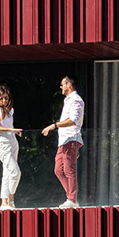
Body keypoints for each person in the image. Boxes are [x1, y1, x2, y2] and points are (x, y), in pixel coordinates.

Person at [42, 75, 84, 207]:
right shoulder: (68, 100)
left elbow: (73, 120)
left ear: (69, 85)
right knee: (58, 170)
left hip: (71, 138)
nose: (61, 87)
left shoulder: (76, 100)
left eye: (62, 84)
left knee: (69, 169)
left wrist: (53, 125)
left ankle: (72, 199)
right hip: (64, 140)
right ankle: (72, 197)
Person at [0, 85, 22, 210]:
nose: (4, 101)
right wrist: (11, 129)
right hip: (2, 143)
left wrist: (14, 132)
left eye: (6, 98)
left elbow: (8, 125)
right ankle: (10, 197)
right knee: (15, 172)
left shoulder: (9, 110)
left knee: (7, 173)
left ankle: (6, 202)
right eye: (1, 98)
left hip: (12, 141)